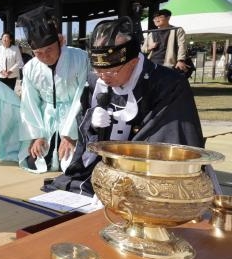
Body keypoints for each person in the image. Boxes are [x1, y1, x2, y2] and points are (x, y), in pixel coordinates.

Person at [46, 17, 204, 196]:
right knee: (75, 186)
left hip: (144, 169)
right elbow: (86, 127)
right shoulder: (96, 80)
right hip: (102, 163)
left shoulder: (167, 83)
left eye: (111, 71)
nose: (103, 77)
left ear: (134, 62)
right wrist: (92, 122)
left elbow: (166, 137)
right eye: (98, 70)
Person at [17, 6, 89, 173]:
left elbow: (82, 96)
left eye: (49, 49)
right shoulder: (30, 68)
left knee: (71, 165)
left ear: (61, 41)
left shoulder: (79, 58)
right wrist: (36, 136)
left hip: (74, 118)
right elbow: (29, 104)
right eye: (38, 53)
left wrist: (70, 134)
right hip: (46, 120)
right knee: (34, 161)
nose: (45, 56)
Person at [141, 9, 189, 73]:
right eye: (155, 18)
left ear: (168, 18)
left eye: (160, 17)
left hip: (169, 64)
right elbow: (143, 49)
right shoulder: (152, 33)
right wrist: (150, 47)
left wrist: (181, 60)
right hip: (152, 63)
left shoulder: (177, 30)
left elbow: (182, 45)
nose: (157, 20)